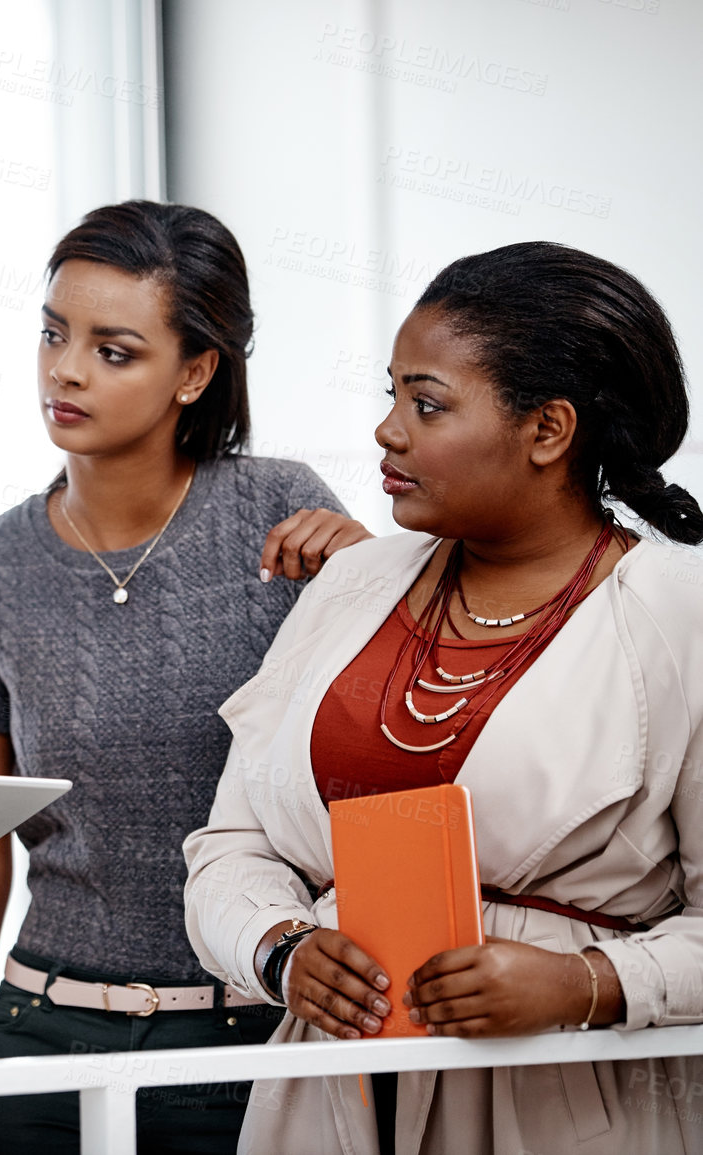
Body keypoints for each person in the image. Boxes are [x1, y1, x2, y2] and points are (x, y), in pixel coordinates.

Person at [184, 241, 703, 1153]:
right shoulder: (351, 585)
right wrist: (281, 948)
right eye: (390, 395)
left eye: (425, 404)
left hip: (562, 1090)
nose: (388, 430)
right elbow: (231, 843)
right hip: (331, 1094)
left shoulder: (674, 613)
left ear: (547, 430)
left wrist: (584, 980)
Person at [0, 200, 371, 1155]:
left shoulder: (283, 513)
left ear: (195, 372)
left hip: (247, 1036)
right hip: (38, 1042)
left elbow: (387, 766)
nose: (64, 369)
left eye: (113, 350)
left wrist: (376, 579)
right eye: (52, 333)